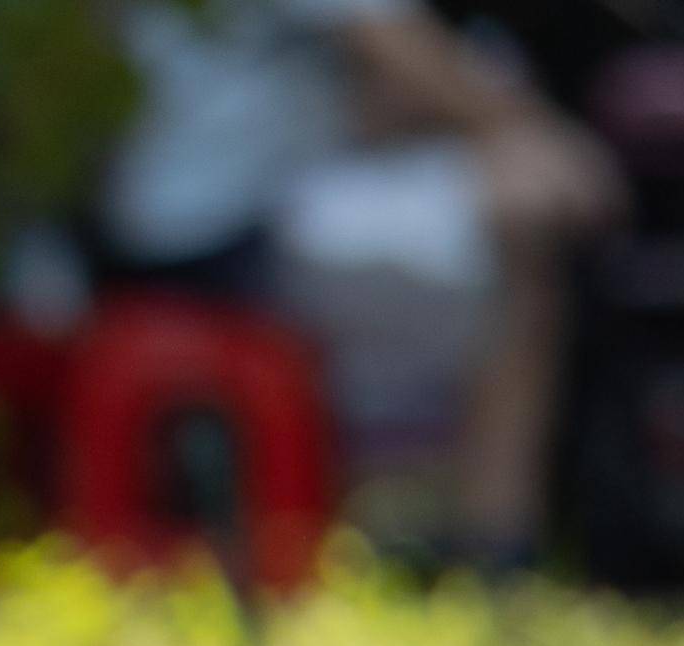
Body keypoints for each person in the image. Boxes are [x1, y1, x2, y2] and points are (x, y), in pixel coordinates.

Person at [94, 0, 622, 563]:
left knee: (500, 213)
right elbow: (395, 46)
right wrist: (551, 138)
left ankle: (457, 531)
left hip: (172, 230)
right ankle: (496, 548)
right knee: (531, 201)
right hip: (217, 240)